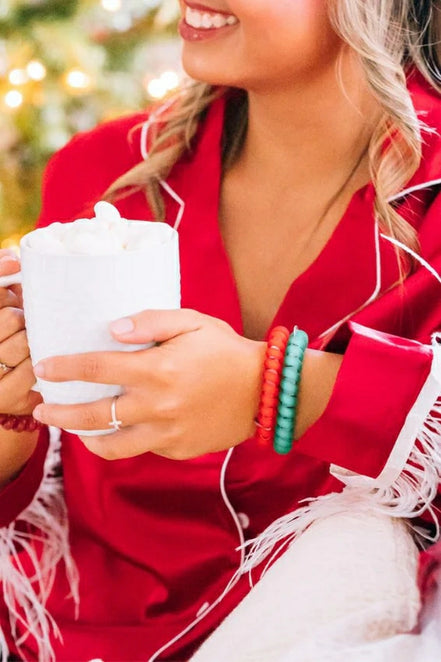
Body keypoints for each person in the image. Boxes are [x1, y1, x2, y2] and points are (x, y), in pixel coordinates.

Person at [1, 0, 441, 659]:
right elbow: (41, 486)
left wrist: (278, 390)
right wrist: (11, 412)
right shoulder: (99, 178)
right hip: (68, 629)